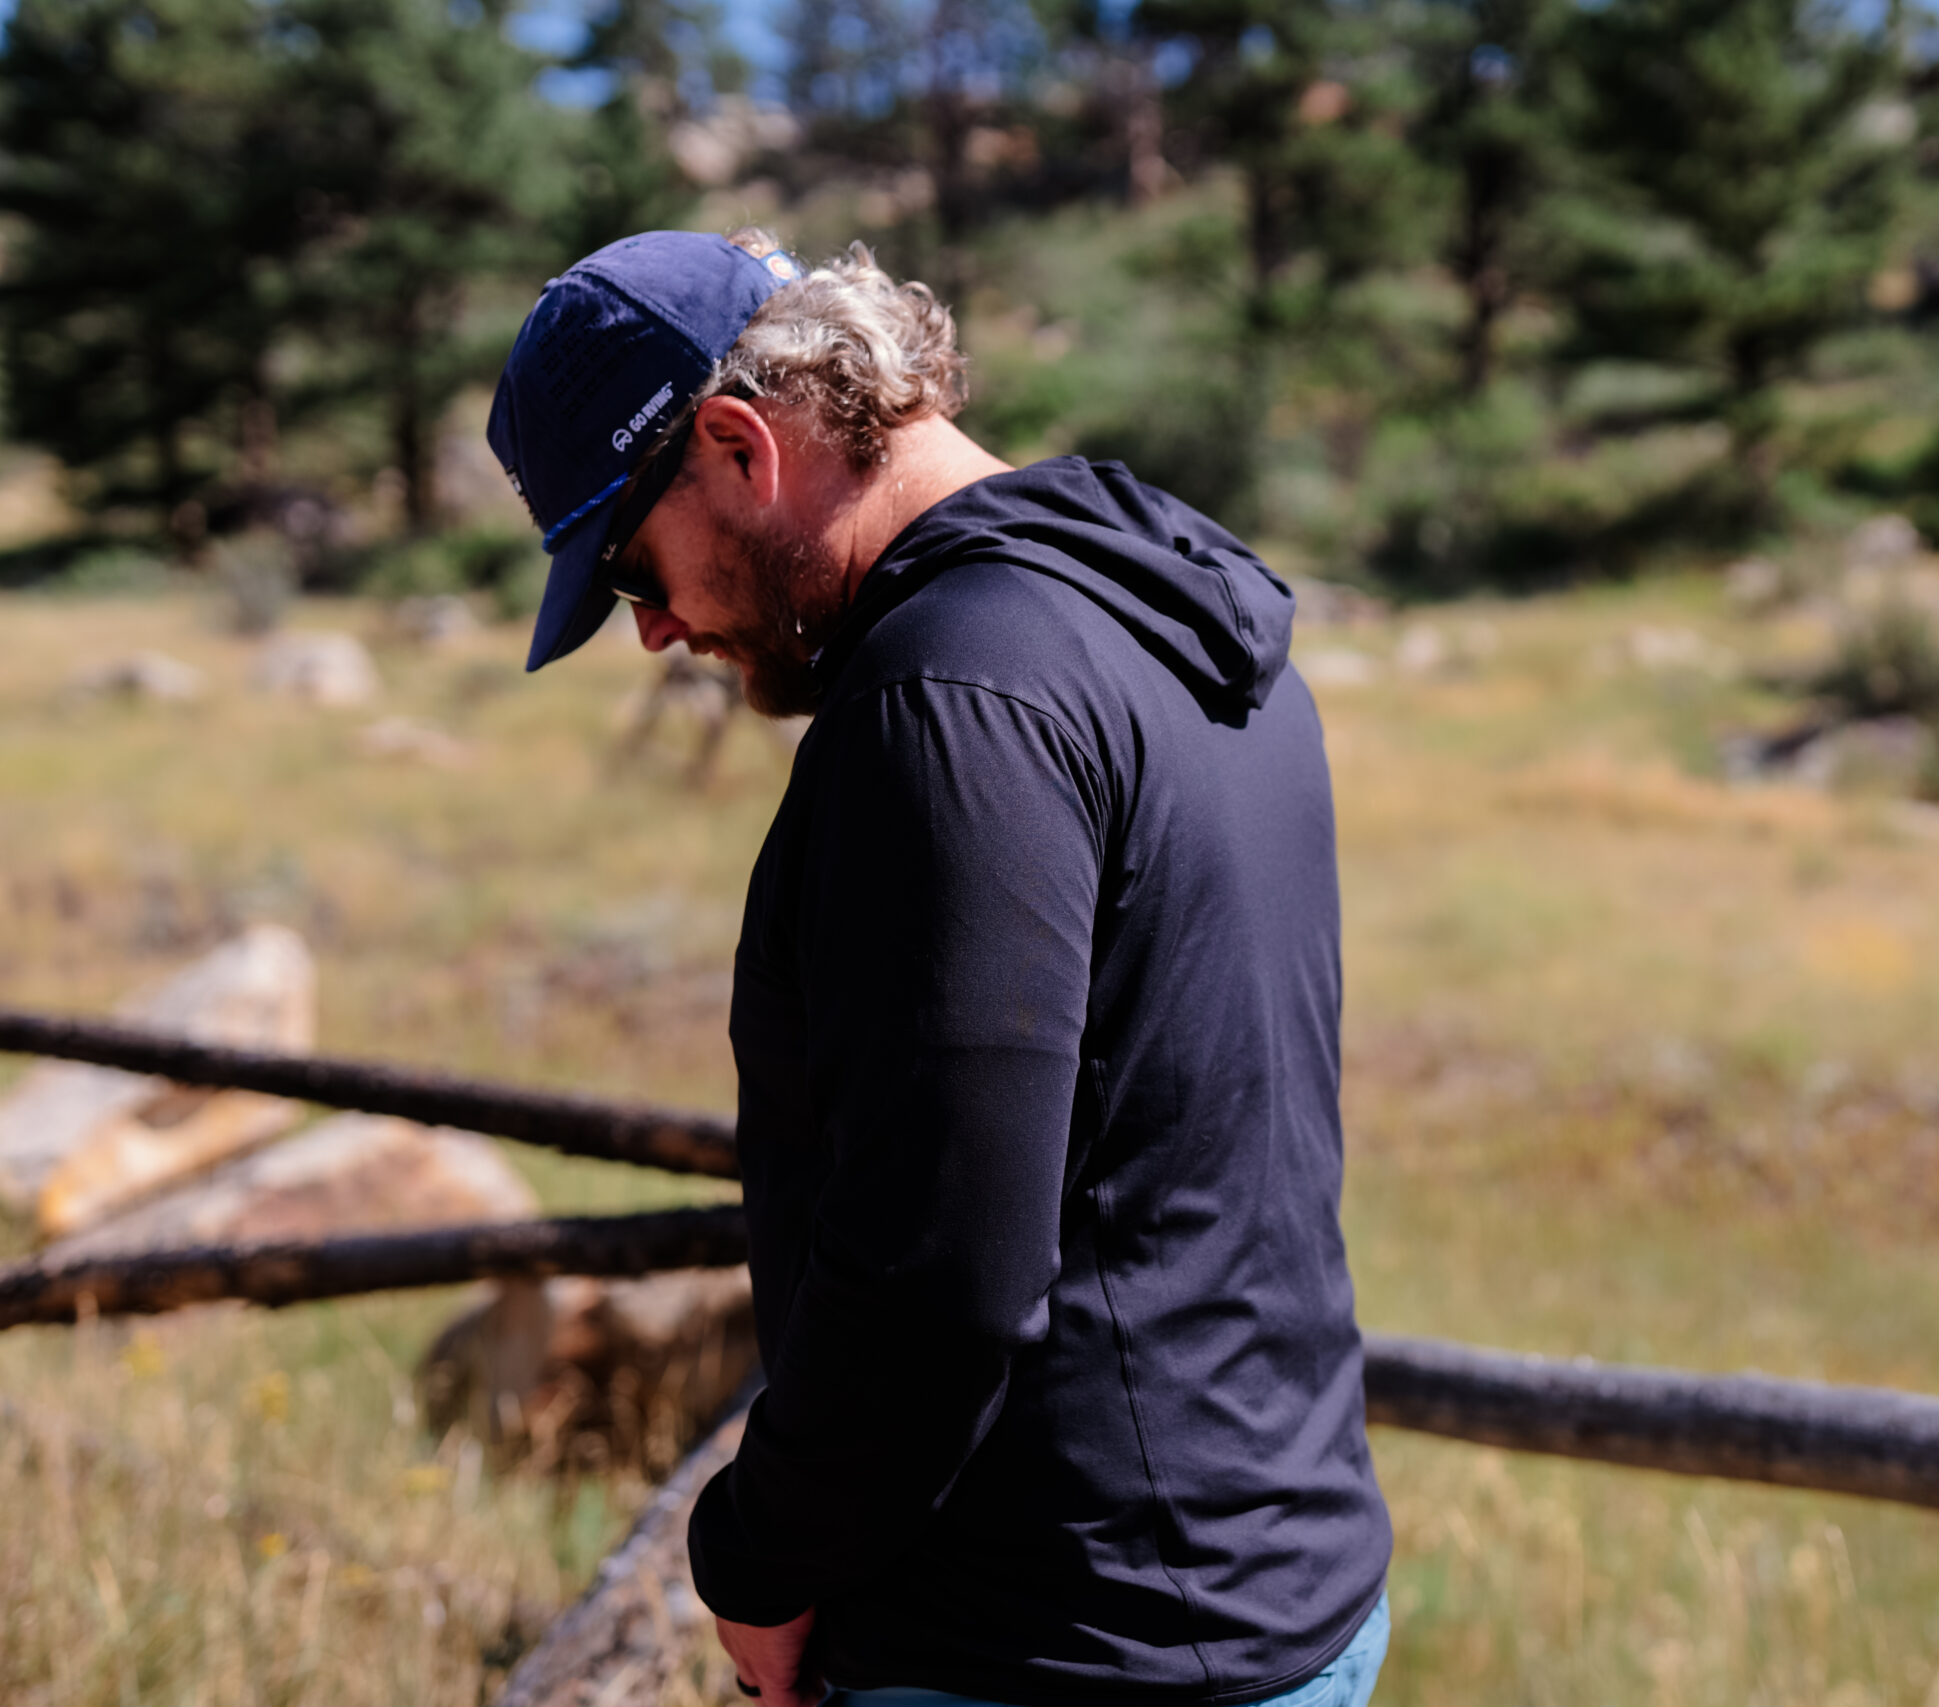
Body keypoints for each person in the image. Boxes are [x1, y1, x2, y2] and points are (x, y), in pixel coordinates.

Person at [487, 229, 1394, 1707]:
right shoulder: (1166, 614)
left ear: (735, 445)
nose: (652, 627)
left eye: (631, 560)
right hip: (1271, 1586)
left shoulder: (951, 697)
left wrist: (760, 1560)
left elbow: (939, 1260)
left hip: (1052, 1641)